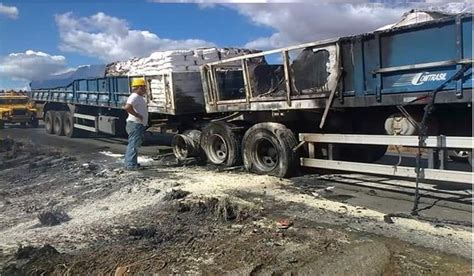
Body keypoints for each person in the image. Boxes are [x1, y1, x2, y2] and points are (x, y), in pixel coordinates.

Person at [123, 77, 148, 170]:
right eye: (144, 87)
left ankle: (131, 163)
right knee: (133, 144)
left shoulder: (138, 97)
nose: (145, 89)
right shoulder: (134, 96)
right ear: (139, 87)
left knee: (134, 144)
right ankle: (130, 165)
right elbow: (127, 107)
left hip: (137, 124)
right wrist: (137, 115)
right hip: (135, 124)